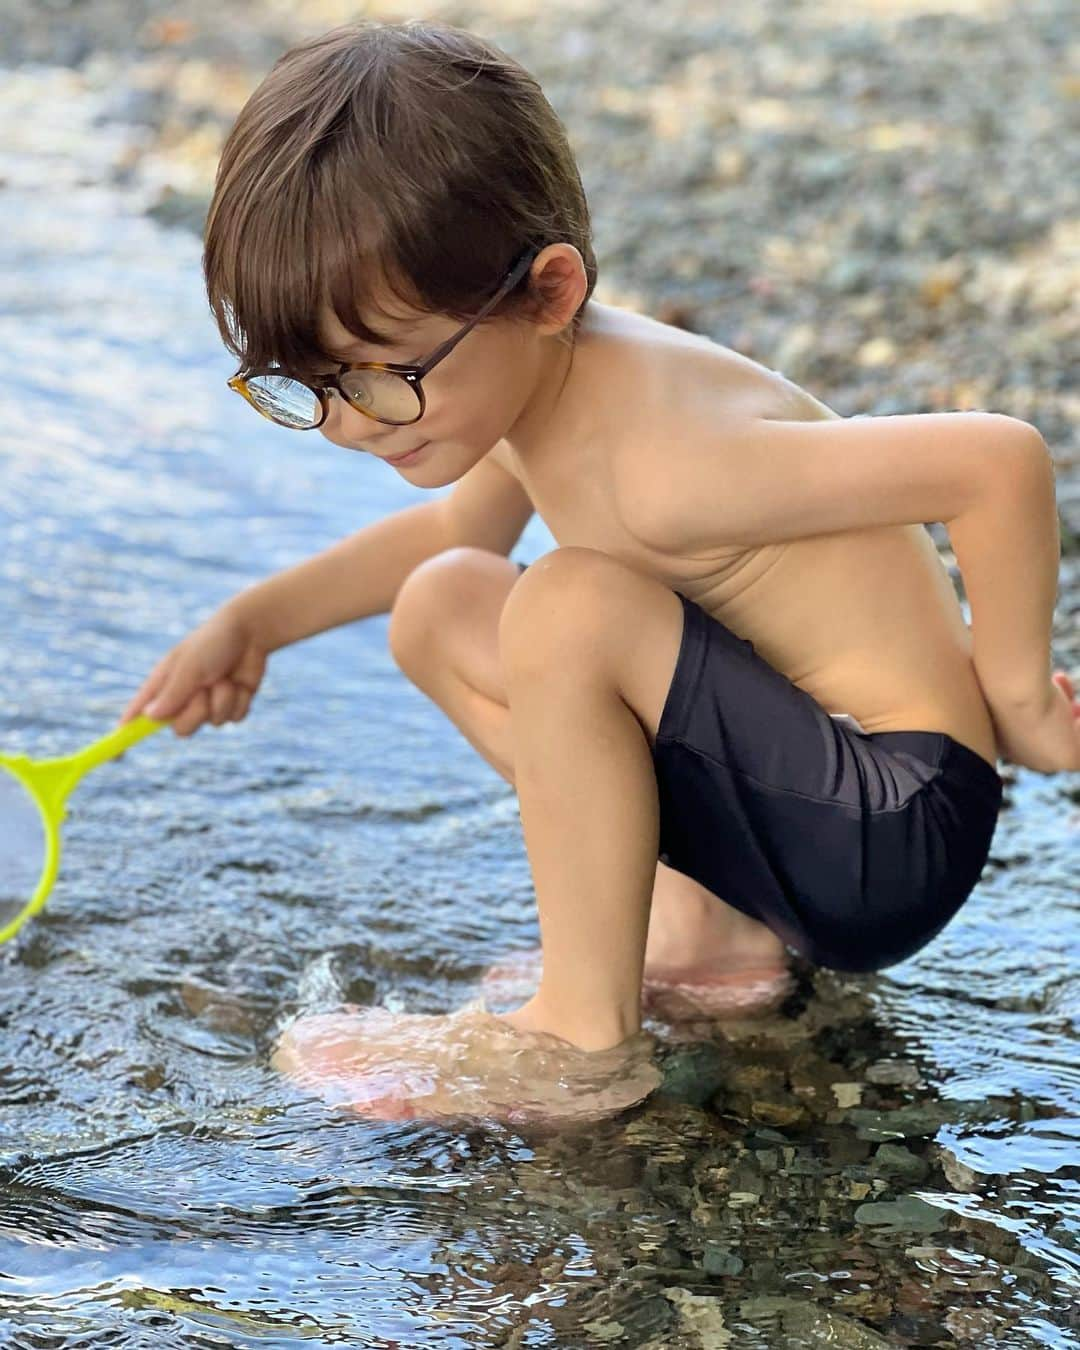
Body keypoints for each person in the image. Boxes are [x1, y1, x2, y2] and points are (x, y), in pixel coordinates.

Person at [119, 19, 1078, 1120]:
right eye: (310, 387)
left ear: (550, 290)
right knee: (445, 606)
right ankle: (703, 934)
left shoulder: (669, 465)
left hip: (892, 827)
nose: (351, 425)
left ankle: (582, 1036)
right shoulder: (535, 385)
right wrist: (256, 621)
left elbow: (995, 463)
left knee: (569, 607)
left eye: (382, 376)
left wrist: (1019, 705)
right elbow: (443, 548)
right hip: (808, 803)